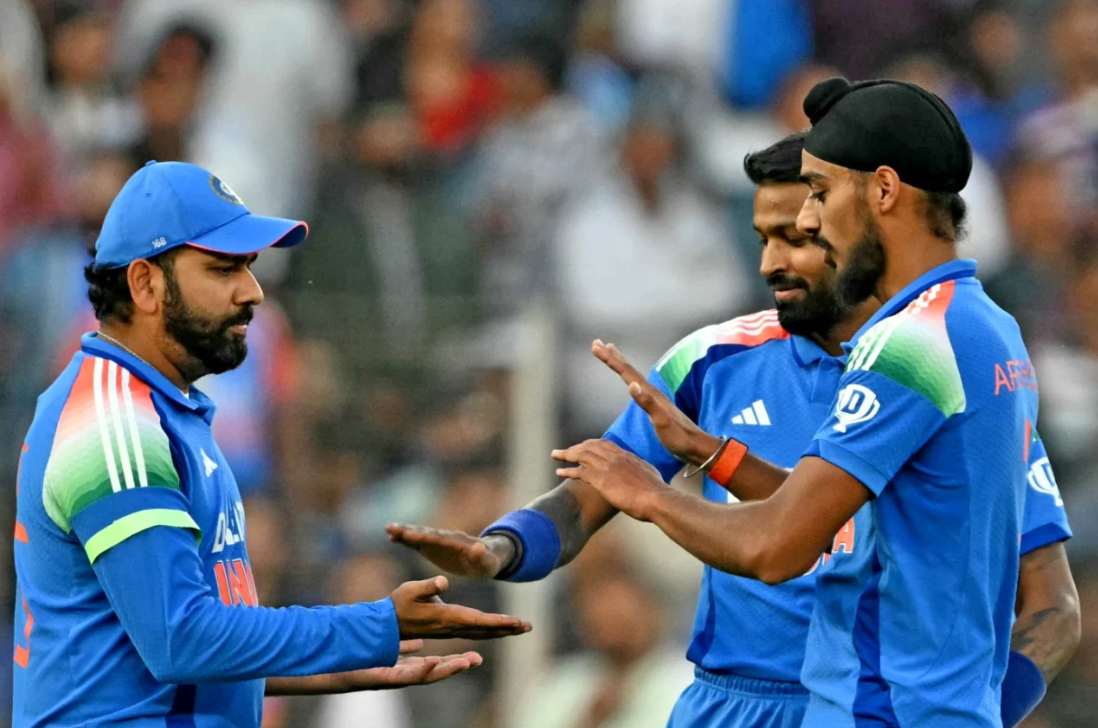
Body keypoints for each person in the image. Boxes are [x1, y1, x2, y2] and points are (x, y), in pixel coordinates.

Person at [388, 128, 1079, 727]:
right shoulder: (710, 360)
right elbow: (597, 486)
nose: (770, 264)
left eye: (797, 238)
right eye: (762, 238)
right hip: (729, 704)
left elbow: (1052, 607)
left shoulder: (948, 366)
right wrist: (501, 550)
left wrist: (984, 712)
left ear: (856, 226)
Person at [11, 160, 531, 728]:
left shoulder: (163, 410)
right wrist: (375, 626)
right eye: (223, 268)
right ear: (145, 283)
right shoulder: (112, 422)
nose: (252, 291)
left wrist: (353, 663)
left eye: (250, 267)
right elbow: (180, 638)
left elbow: (179, 647)